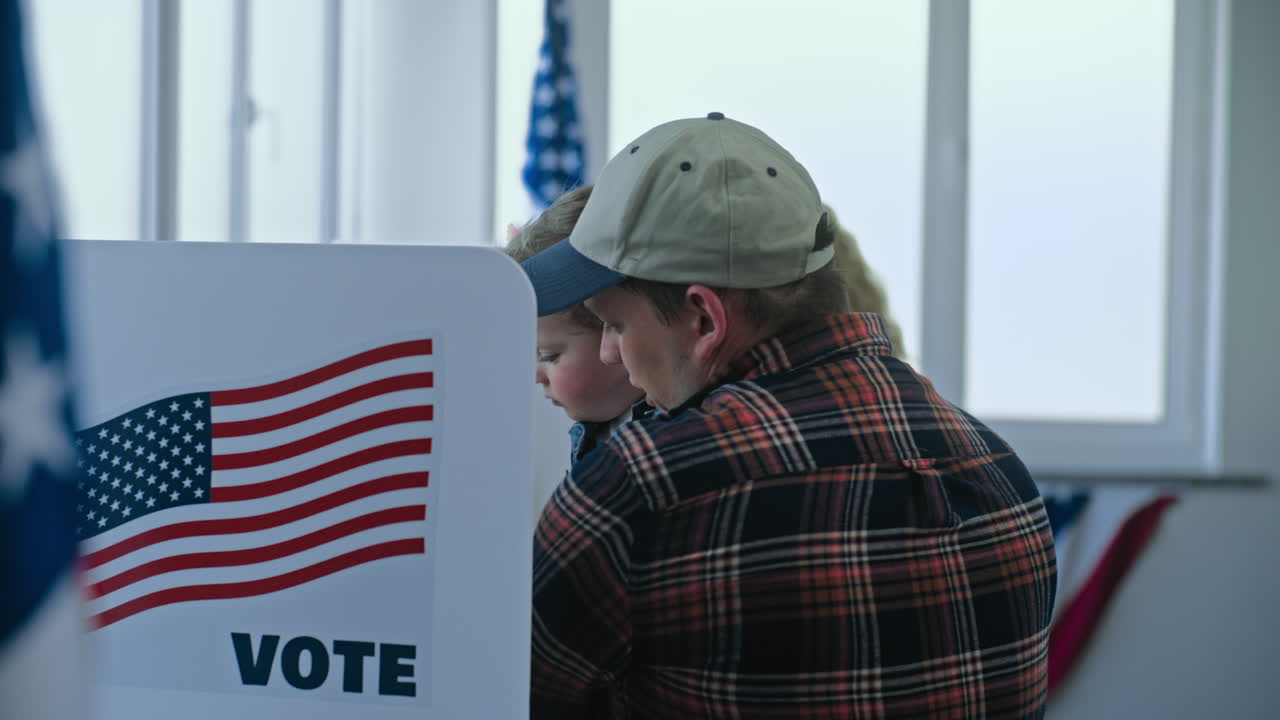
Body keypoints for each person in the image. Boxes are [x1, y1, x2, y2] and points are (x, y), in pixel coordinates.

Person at [521, 112, 1056, 719]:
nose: (613, 352)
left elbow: (505, 700)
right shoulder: (997, 467)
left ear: (703, 319)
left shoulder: (642, 487)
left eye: (615, 323)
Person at [506, 185, 646, 463]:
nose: (536, 375)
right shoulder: (605, 424)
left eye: (549, 356)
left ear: (615, 332)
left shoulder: (647, 449)